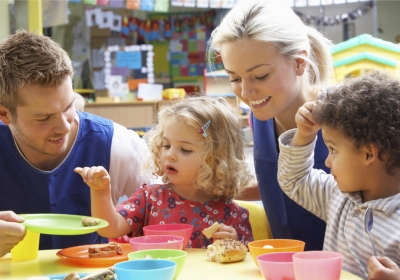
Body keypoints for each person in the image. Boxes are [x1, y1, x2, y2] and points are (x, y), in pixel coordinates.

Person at [0, 30, 150, 255]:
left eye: (68, 107)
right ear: (5, 115)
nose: (64, 126)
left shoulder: (119, 145)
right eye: (43, 118)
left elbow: (167, 217)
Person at [208, 0, 334, 250]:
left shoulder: (344, 118)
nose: (246, 91)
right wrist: (212, 188)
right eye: (234, 77)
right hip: (283, 265)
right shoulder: (260, 116)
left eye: (261, 75)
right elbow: (280, 185)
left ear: (299, 63)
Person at [75, 96, 254, 248]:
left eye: (185, 149)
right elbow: (109, 228)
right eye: (166, 145)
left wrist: (234, 243)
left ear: (217, 160)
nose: (170, 155)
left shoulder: (233, 215)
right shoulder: (149, 198)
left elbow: (245, 266)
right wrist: (100, 192)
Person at [277, 71, 400, 279]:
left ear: (369, 154)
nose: (327, 162)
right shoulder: (338, 196)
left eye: (333, 150)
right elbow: (293, 179)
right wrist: (304, 134)